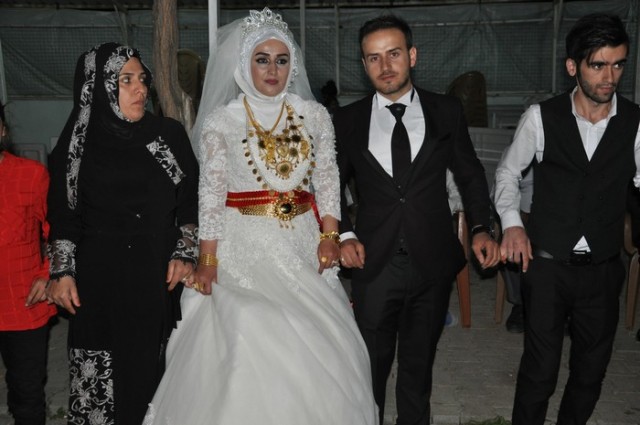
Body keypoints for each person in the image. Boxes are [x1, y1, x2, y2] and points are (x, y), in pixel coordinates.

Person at [144, 8, 377, 425]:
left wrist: (331, 235)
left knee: (316, 337)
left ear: (293, 66)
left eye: (282, 60)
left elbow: (328, 179)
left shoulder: (314, 116)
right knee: (249, 328)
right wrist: (207, 261)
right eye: (262, 59)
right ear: (244, 64)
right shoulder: (223, 121)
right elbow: (211, 195)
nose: (273, 70)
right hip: (242, 246)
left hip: (302, 241)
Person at [333, 14, 500, 425]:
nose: (385, 66)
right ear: (363, 64)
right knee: (369, 367)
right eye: (373, 58)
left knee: (418, 366)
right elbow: (329, 185)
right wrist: (344, 234)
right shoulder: (347, 119)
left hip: (431, 261)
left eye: (393, 54)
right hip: (374, 261)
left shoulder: (446, 110)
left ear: (412, 55)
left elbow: (470, 174)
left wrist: (481, 227)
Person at [494, 13, 639, 425]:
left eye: (618, 64)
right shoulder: (541, 117)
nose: (609, 77)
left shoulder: (635, 122)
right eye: (598, 65)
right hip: (548, 267)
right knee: (539, 372)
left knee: (590, 372)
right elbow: (507, 172)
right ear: (573, 66)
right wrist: (512, 224)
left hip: (604, 268)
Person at [45, 42, 199, 424]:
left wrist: (185, 252)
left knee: (150, 373)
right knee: (101, 376)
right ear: (97, 86)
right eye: (125, 80)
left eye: (142, 79)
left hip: (154, 274)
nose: (140, 89)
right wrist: (61, 272)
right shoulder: (76, 148)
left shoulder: (166, 136)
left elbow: (190, 202)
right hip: (98, 280)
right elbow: (64, 215)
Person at [0, 103, 57, 425]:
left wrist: (47, 274)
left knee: (26, 393)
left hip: (22, 303)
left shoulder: (31, 174)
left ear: (3, 130)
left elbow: (58, 232)